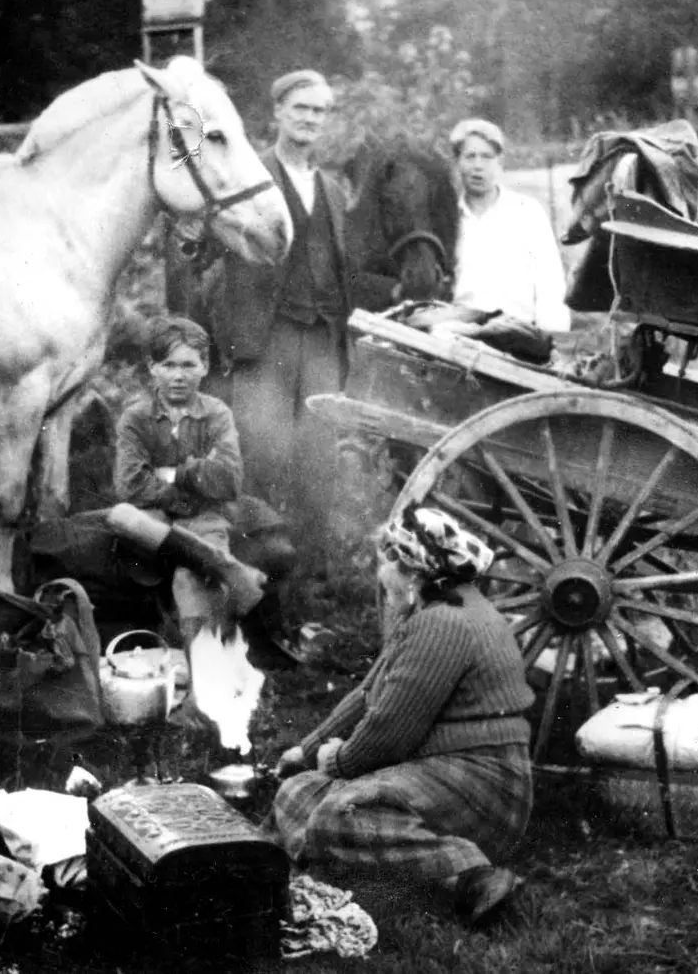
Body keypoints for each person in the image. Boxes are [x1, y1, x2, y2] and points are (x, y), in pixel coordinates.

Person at [271, 505, 536, 927]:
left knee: (341, 812)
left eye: (384, 565)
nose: (380, 576)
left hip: (488, 785)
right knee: (296, 792)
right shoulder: (434, 612)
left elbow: (388, 735)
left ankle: (470, 876)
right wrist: (303, 754)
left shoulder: (443, 625)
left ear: (409, 570)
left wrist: (336, 761)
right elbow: (366, 696)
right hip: (446, 772)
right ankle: (341, 856)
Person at [180, 69, 352, 525]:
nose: (309, 119)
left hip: (322, 338)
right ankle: (257, 562)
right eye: (300, 108)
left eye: (319, 111)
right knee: (261, 452)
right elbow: (205, 251)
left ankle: (313, 576)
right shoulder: (247, 175)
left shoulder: (333, 190)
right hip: (266, 336)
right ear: (278, 112)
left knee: (320, 455)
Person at [113, 316, 249, 645]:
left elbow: (229, 479)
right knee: (122, 519)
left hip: (204, 518)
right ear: (153, 367)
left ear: (204, 367)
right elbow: (130, 484)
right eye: (169, 365)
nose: (178, 376)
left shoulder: (216, 414)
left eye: (188, 365)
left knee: (193, 577)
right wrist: (192, 486)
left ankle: (203, 669)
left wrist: (172, 473)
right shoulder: (136, 417)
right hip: (154, 520)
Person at [449, 118, 571, 334]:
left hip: (516, 338)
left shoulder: (527, 212)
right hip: (458, 337)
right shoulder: (448, 218)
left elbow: (550, 286)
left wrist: (552, 341)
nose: (478, 166)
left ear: (500, 162)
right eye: (470, 156)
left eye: (487, 157)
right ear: (457, 162)